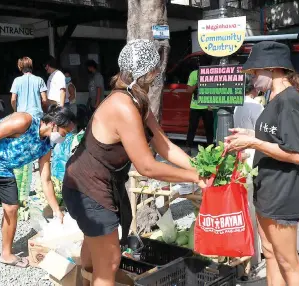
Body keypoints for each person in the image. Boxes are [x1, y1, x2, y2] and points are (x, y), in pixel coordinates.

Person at [62, 39, 206, 286]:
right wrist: (195, 179)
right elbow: (147, 166)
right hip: (87, 188)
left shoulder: (138, 102)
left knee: (95, 250)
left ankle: (82, 280)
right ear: (149, 72)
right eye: (156, 71)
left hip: (94, 185)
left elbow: (165, 146)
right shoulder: (123, 105)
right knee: (109, 262)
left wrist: (200, 167)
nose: (157, 75)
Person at [0, 106, 75, 285]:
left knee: (12, 207)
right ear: (55, 125)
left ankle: (6, 253)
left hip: (3, 168)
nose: (64, 137)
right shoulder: (24, 121)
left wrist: (56, 210)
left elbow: (46, 179)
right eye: (65, 132)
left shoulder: (47, 144)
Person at [225, 41, 299, 286]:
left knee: (288, 262)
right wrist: (250, 135)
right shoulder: (272, 98)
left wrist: (253, 144)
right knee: (271, 254)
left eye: (254, 72)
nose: (252, 78)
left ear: (273, 68)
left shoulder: (289, 101)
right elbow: (274, 137)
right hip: (268, 189)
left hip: (284, 194)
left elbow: (295, 154)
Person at [233, 76, 264, 166]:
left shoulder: (237, 103)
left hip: (239, 146)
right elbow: (261, 130)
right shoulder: (256, 105)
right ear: (254, 88)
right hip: (252, 149)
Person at [185, 58, 214, 154]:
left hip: (208, 106)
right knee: (192, 128)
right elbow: (188, 90)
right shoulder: (194, 74)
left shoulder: (212, 74)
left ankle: (210, 149)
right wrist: (198, 83)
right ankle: (188, 148)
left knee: (209, 129)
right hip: (195, 106)